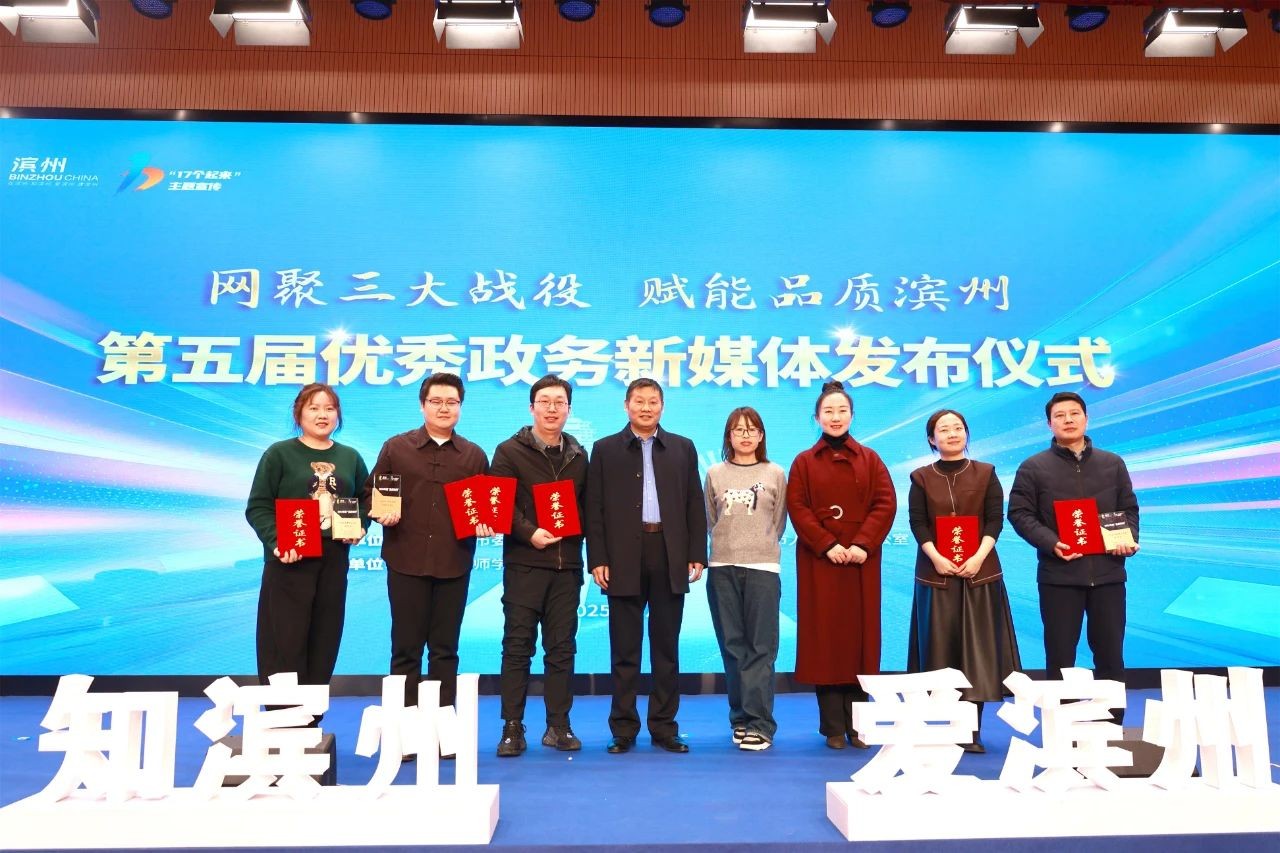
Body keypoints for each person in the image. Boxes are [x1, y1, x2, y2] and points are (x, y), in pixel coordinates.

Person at [586, 378, 707, 754]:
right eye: (639, 401)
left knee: (666, 648)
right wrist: (598, 558)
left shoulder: (682, 448)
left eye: (653, 401)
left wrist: (696, 552)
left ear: (662, 406)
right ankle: (623, 728)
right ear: (626, 406)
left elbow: (694, 503)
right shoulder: (605, 449)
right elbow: (594, 507)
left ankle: (664, 727)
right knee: (624, 649)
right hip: (622, 555)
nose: (646, 408)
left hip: (669, 553)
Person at [365, 373, 492, 730]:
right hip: (405, 561)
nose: (443, 408)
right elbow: (370, 494)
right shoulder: (396, 448)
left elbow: (486, 507)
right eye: (436, 401)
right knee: (405, 650)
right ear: (422, 405)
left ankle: (442, 731)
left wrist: (486, 522)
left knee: (445, 651)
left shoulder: (473, 455)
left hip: (454, 563)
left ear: (460, 407)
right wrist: (379, 512)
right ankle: (403, 732)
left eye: (452, 402)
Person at [1007, 391, 1139, 725]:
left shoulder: (1112, 463)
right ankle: (1061, 730)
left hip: (1108, 574)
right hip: (1059, 576)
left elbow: (1128, 509)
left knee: (1110, 655)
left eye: (1074, 413)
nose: (1068, 420)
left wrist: (1127, 540)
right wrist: (1051, 543)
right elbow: (1019, 514)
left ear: (1086, 418)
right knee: (1060, 656)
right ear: (1049, 423)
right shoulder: (1034, 467)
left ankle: (1111, 727)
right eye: (1060, 415)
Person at [786, 380, 896, 750]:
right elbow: (798, 507)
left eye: (842, 411)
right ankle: (833, 726)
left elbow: (885, 503)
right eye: (828, 411)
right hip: (821, 561)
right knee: (825, 639)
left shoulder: (870, 458)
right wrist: (827, 544)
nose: (836, 417)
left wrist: (863, 544)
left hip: (861, 562)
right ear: (817, 417)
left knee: (859, 640)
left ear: (852, 415)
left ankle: (859, 725)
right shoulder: (804, 461)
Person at [906, 409, 1021, 753]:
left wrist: (978, 557)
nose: (952, 434)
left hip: (979, 574)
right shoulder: (921, 477)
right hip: (936, 575)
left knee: (976, 653)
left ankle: (971, 730)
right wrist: (937, 557)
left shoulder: (986, 473)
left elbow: (994, 520)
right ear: (932, 439)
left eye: (958, 428)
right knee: (940, 650)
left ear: (967, 434)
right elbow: (918, 523)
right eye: (943, 429)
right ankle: (943, 725)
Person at [245, 382, 368, 705]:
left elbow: (366, 500)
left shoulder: (350, 457)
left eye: (329, 408)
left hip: (333, 560)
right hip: (289, 559)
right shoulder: (279, 454)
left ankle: (311, 718)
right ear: (298, 414)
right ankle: (282, 716)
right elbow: (258, 506)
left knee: (324, 639)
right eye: (314, 408)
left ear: (338, 415)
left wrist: (360, 526)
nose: (322, 414)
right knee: (283, 642)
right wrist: (277, 542)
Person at [490, 374, 589, 757]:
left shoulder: (579, 455)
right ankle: (512, 727)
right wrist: (529, 532)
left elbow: (588, 509)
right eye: (544, 401)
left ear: (568, 409)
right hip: (525, 564)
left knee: (562, 650)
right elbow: (500, 506)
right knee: (517, 648)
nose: (552, 409)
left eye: (559, 402)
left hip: (566, 568)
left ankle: (558, 726)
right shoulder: (508, 451)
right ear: (531, 408)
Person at [704, 406, 787, 752]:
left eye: (752, 429)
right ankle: (740, 719)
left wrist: (759, 547)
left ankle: (760, 724)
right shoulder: (714, 473)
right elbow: (711, 519)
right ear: (729, 436)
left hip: (763, 568)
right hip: (722, 567)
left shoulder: (775, 473)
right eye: (738, 430)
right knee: (732, 647)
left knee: (760, 648)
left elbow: (778, 522)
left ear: (761, 435)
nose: (746, 435)